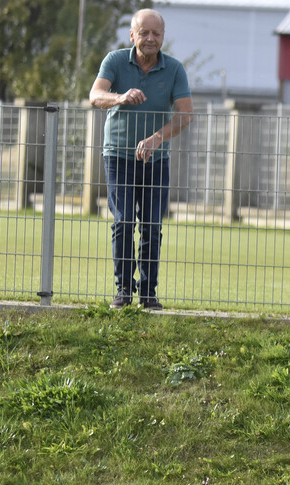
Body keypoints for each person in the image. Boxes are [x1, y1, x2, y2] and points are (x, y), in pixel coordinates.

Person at [89, 8, 193, 310]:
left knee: (150, 224)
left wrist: (157, 138)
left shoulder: (174, 69)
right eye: (143, 33)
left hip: (155, 159)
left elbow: (185, 114)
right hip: (119, 156)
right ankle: (123, 290)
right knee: (123, 222)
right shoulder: (115, 61)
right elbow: (95, 95)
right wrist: (120, 97)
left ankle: (148, 293)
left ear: (163, 37)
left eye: (156, 33)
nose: (150, 38)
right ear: (132, 35)